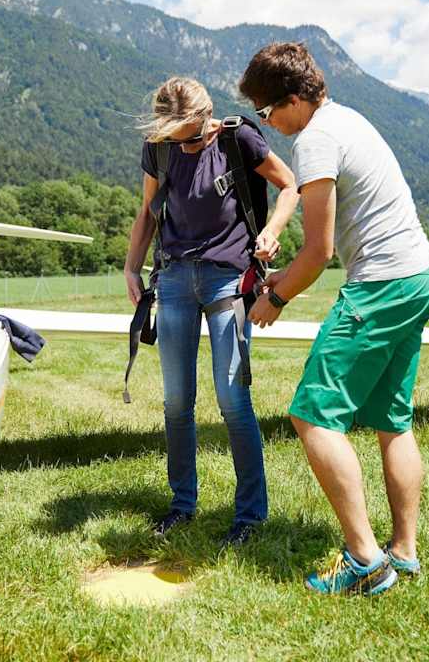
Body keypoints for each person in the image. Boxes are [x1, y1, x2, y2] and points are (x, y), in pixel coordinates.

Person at [243, 43, 429, 595]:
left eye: (267, 113)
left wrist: (275, 298)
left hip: (380, 287)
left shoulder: (316, 139)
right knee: (392, 420)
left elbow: (320, 251)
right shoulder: (347, 119)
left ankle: (365, 564)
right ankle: (403, 552)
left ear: (290, 100)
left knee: (313, 416)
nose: (270, 125)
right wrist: (284, 276)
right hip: (420, 277)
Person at [124, 76, 299, 547]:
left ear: (207, 117)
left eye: (191, 135)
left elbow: (289, 186)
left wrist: (273, 230)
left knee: (231, 399)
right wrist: (131, 268)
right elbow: (148, 212)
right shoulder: (159, 148)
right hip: (176, 279)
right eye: (172, 135)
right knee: (177, 401)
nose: (183, 145)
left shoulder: (238, 137)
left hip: (229, 279)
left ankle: (250, 515)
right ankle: (182, 505)